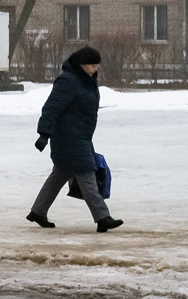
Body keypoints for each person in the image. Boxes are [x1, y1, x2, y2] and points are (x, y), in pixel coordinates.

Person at [27, 46, 123, 232]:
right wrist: (43, 134)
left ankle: (38, 211)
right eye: (92, 65)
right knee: (88, 176)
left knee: (60, 175)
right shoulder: (68, 81)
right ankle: (103, 217)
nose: (95, 69)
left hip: (81, 137)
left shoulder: (87, 81)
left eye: (97, 65)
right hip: (68, 138)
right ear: (81, 65)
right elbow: (51, 108)